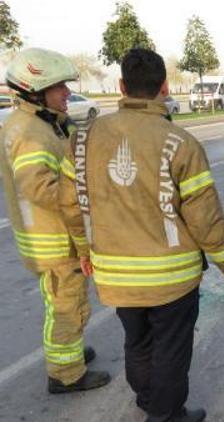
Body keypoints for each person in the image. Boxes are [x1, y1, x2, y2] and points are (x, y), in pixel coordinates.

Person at [59, 48, 224, 422]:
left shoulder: (80, 141)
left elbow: (70, 205)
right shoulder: (181, 143)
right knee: (171, 350)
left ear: (122, 86)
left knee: (138, 342)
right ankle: (166, 415)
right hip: (171, 277)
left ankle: (148, 400)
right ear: (165, 87)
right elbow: (204, 216)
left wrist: (83, 249)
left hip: (115, 275)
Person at [0, 48, 111, 394]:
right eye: (59, 87)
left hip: (56, 236)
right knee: (65, 305)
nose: (67, 93)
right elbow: (40, 189)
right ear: (34, 90)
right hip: (53, 241)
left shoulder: (44, 123)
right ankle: (65, 374)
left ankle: (70, 352)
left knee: (70, 301)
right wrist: (87, 193)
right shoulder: (29, 132)